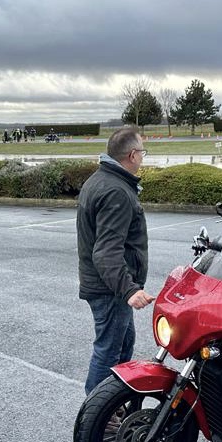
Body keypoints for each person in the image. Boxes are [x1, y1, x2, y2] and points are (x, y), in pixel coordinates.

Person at [76, 126, 155, 395]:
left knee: (123, 344)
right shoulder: (117, 191)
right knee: (109, 351)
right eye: (142, 152)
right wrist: (129, 289)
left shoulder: (100, 180)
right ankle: (98, 414)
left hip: (108, 286)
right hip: (109, 289)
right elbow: (106, 251)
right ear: (132, 155)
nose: (143, 157)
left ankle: (111, 405)